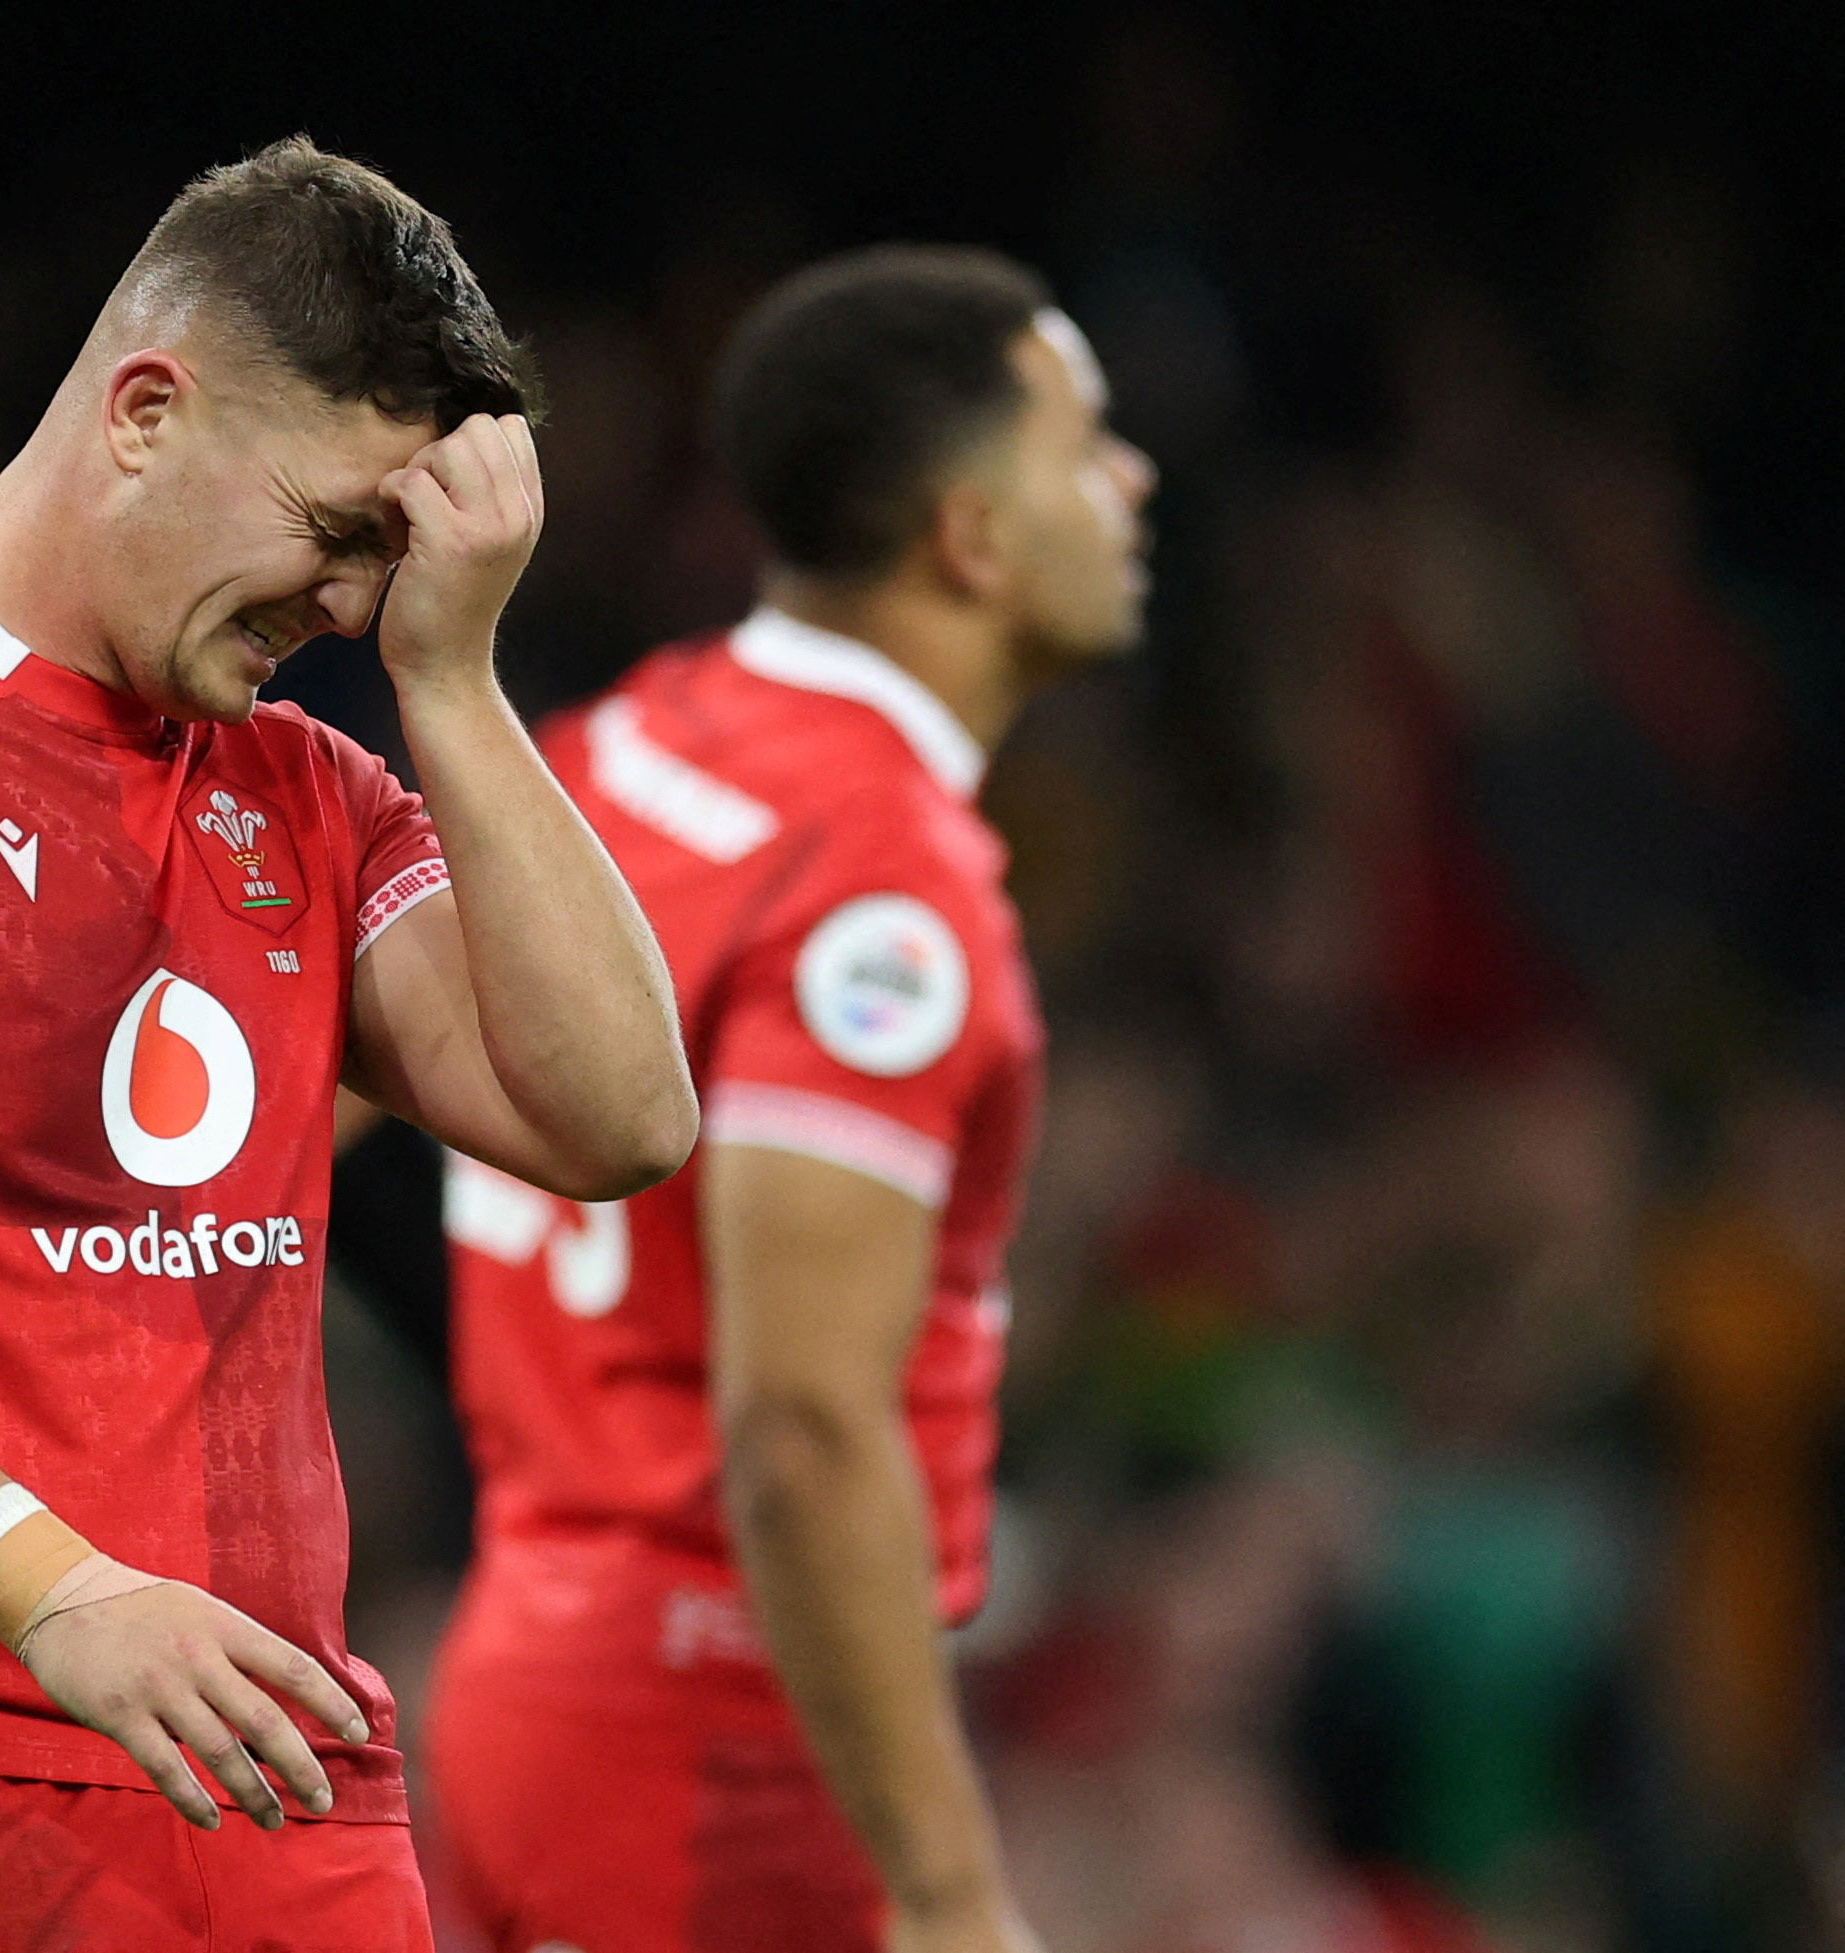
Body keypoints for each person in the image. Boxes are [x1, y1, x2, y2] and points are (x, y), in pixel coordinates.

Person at [0, 139, 696, 1952]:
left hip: (279, 1783)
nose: (348, 604)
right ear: (147, 410)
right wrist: (61, 1593)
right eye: (339, 533)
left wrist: (457, 682)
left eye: (390, 563)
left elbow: (621, 1115)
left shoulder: (311, 791)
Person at [427, 246, 1155, 1952]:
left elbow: (317, 1108)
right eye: (1082, 440)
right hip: (720, 1735)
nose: (1130, 482)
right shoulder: (882, 889)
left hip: (526, 1655)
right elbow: (803, 1426)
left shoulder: (620, 747)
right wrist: (950, 1887)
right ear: (967, 535)